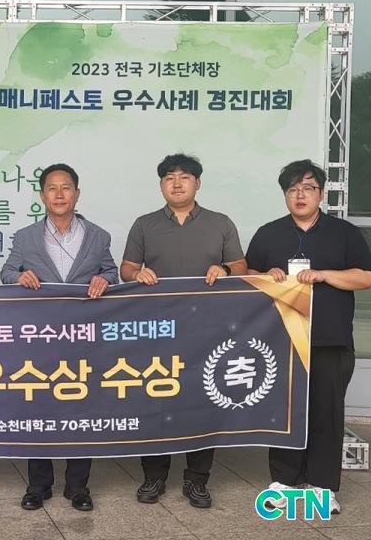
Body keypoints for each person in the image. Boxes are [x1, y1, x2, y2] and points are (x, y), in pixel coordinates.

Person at [245, 159, 371, 515]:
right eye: (293, 189)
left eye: (308, 188)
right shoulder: (269, 233)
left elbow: (365, 278)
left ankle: (323, 485)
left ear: (321, 192)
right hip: (282, 339)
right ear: (284, 195)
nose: (300, 195)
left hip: (330, 339)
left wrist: (324, 275)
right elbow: (249, 273)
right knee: (284, 411)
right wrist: (266, 275)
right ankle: (285, 480)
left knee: (326, 413)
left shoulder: (344, 233)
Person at [120, 153, 247, 509]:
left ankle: (197, 480)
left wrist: (225, 269)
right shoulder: (144, 224)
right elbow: (126, 268)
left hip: (208, 331)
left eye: (184, 177)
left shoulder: (220, 223)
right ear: (161, 185)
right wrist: (137, 274)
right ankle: (154, 476)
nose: (176, 183)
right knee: (155, 400)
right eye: (169, 178)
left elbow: (241, 266)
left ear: (197, 183)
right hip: (157, 330)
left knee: (202, 402)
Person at [1, 163, 119, 512]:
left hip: (84, 337)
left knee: (82, 407)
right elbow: (7, 271)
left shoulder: (98, 236)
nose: (59, 194)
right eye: (51, 188)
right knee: (38, 407)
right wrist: (18, 277)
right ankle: (38, 486)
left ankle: (78, 487)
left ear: (76, 194)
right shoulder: (25, 236)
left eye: (65, 187)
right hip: (40, 336)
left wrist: (105, 280)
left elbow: (111, 271)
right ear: (42, 195)